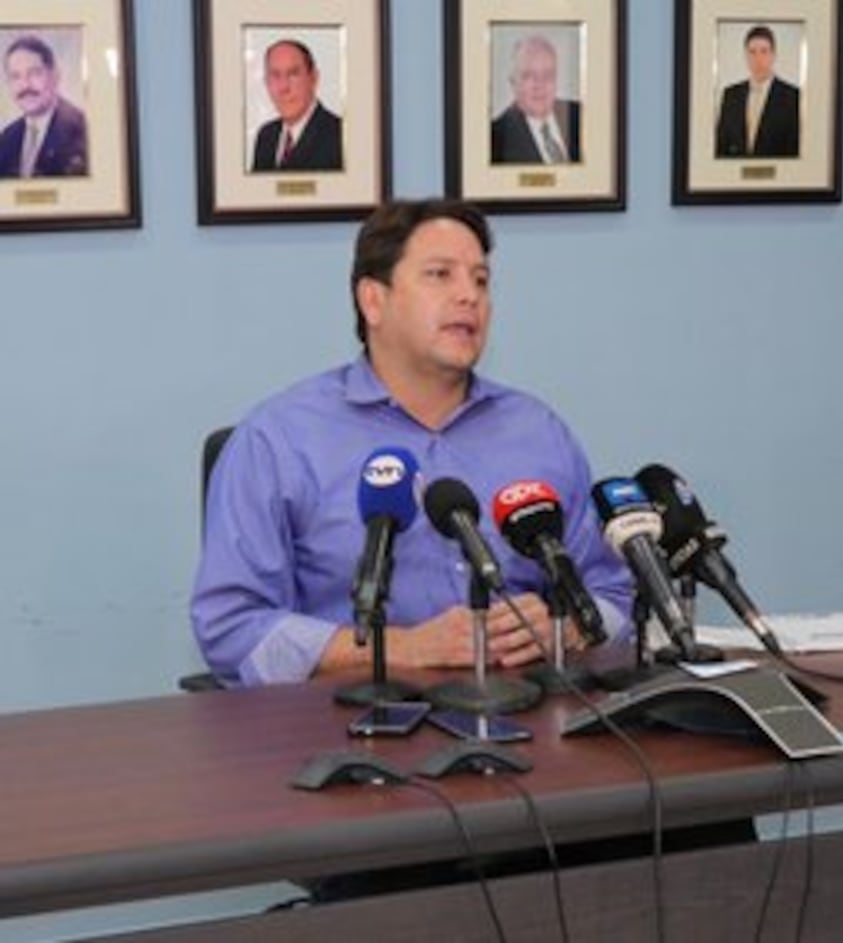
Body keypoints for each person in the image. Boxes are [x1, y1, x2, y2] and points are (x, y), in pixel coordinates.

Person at [191, 198, 632, 687]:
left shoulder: (538, 432)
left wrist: (564, 630)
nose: (470, 296)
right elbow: (231, 628)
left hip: (525, 718)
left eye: (481, 280)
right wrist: (400, 649)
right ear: (373, 300)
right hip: (351, 730)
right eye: (441, 275)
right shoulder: (279, 439)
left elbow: (615, 594)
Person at [0, 34, 87, 178]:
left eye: (34, 73)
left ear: (55, 76)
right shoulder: (6, 138)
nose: (25, 85)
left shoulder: (84, 131)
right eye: (15, 76)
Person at [251, 38, 342, 173]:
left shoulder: (340, 137)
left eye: (293, 74)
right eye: (275, 75)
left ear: (314, 78)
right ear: (266, 82)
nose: (283, 87)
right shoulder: (266, 136)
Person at [490, 34, 581, 164]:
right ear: (513, 82)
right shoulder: (494, 140)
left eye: (548, 75)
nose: (539, 85)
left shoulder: (581, 116)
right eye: (528, 76)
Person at [714, 25, 801, 159]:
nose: (758, 59)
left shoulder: (793, 96)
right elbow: (720, 147)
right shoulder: (730, 95)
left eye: (764, 51)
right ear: (745, 56)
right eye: (752, 52)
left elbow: (794, 151)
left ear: (773, 55)